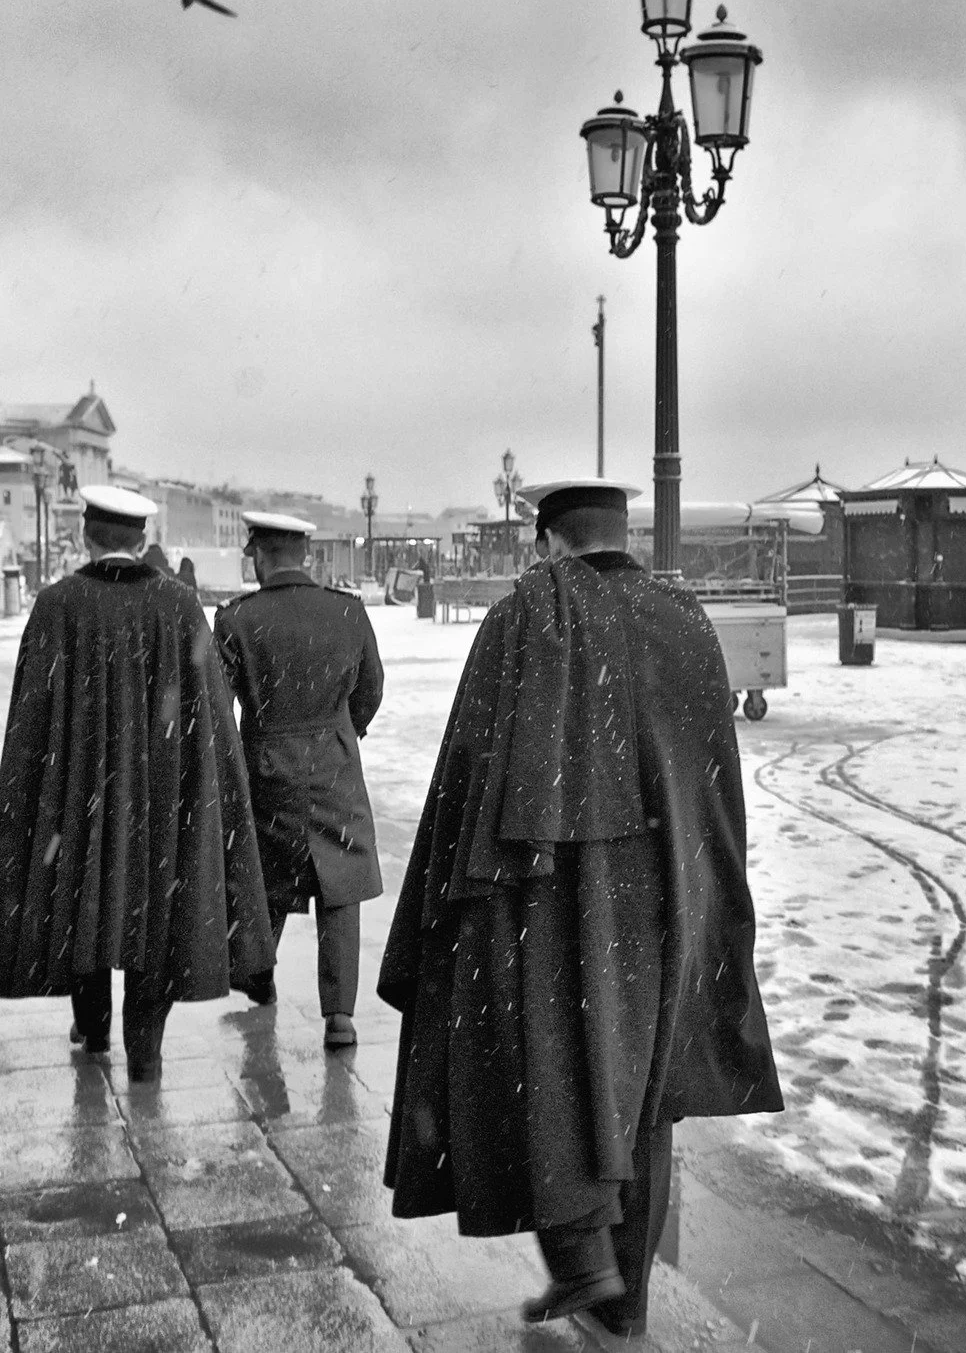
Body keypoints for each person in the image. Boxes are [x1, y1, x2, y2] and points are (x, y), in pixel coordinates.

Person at [380, 478, 783, 1336]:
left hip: (552, 899)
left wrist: (445, 898)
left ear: (550, 542)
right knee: (646, 1092)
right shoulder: (687, 621)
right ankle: (622, 1304)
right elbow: (710, 776)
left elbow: (472, 768)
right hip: (669, 894)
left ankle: (581, 1252)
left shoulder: (522, 619)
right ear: (620, 534)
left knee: (558, 1068)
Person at [0, 486, 275, 1082]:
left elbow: (32, 710)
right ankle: (147, 1055)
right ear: (141, 539)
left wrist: (33, 790)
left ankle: (95, 1026)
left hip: (78, 791)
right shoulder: (179, 606)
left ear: (86, 535)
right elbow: (208, 710)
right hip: (160, 796)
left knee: (84, 900)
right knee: (153, 916)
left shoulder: (57, 604)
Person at [215, 511, 384, 1047]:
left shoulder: (238, 619)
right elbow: (371, 688)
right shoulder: (347, 611)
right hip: (334, 763)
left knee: (265, 876)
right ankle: (340, 1015)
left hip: (266, 764)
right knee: (341, 886)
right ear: (306, 555)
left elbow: (218, 705)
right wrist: (341, 732)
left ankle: (259, 974)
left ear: (260, 556)